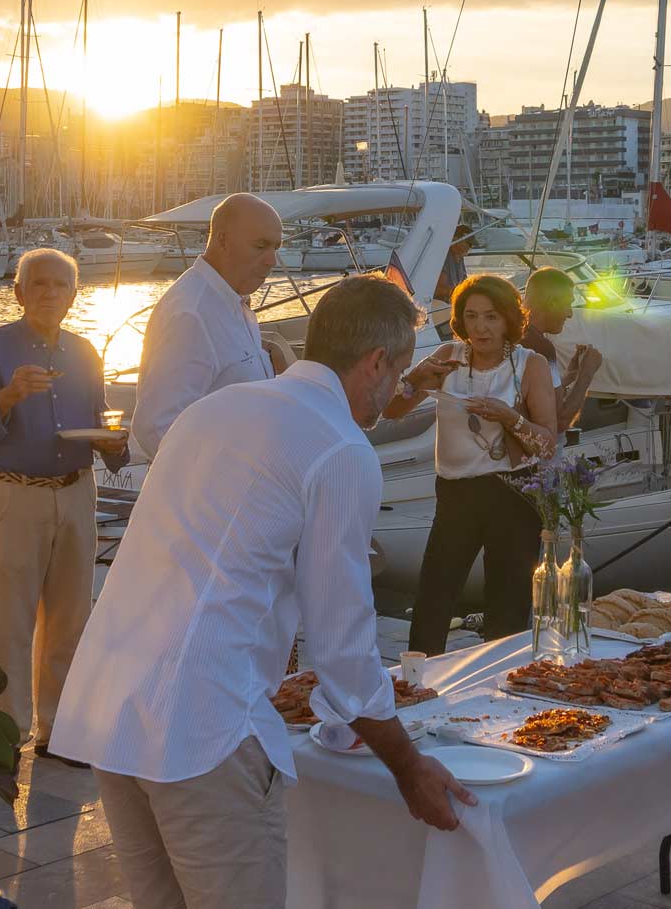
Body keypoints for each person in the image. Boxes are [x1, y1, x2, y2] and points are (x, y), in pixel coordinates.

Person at [52, 277, 472, 909]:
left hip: (111, 703)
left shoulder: (212, 409)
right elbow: (343, 649)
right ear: (376, 363)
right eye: (401, 370)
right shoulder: (340, 449)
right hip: (202, 723)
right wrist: (409, 768)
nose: (396, 389)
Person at [0, 248, 126, 764]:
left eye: (61, 285)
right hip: (14, 494)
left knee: (72, 616)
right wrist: (5, 398)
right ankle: (6, 736)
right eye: (40, 284)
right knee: (11, 620)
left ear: (75, 294)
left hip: (76, 491)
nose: (51, 293)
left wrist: (113, 446)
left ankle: (60, 729)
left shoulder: (86, 351)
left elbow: (98, 420)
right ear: (19, 291)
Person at [390, 273, 557, 655]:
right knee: (434, 594)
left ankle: (501, 682)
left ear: (509, 320)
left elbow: (547, 444)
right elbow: (393, 409)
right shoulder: (448, 357)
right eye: (471, 316)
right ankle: (418, 683)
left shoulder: (530, 365)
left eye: (492, 317)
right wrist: (416, 378)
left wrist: (509, 417)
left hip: (515, 493)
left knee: (509, 600)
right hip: (456, 492)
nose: (480, 327)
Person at [130, 192, 285, 460]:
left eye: (276, 248)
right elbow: (156, 428)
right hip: (219, 494)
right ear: (223, 240)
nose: (272, 260)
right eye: (260, 246)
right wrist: (223, 479)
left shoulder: (233, 304)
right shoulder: (191, 314)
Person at [521, 266, 604, 433]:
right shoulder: (541, 348)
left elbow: (533, 393)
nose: (570, 314)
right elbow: (560, 421)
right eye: (568, 305)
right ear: (552, 303)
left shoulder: (515, 335)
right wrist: (586, 374)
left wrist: (567, 377)